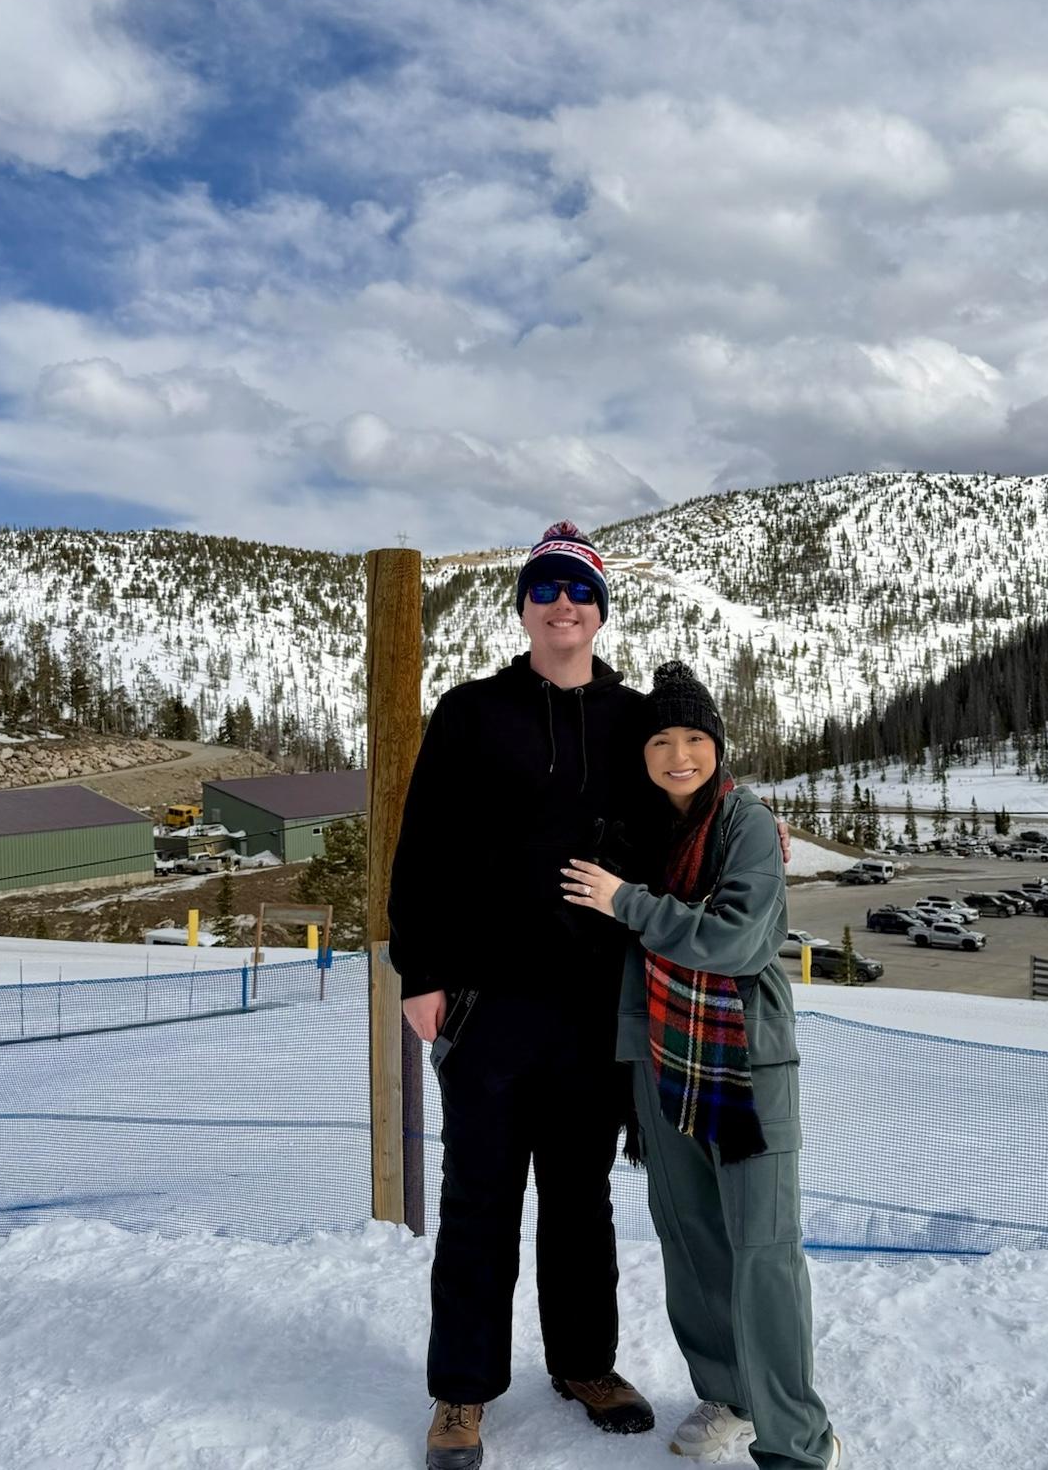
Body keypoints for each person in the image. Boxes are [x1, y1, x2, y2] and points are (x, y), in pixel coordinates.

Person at [389, 522, 657, 1470]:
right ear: (523, 609)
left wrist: (759, 828)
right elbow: (420, 847)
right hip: (488, 1000)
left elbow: (694, 796)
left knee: (581, 1201)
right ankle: (460, 1392)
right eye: (544, 591)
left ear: (599, 610)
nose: (562, 606)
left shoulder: (635, 722)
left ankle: (586, 1363)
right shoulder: (471, 712)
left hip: (596, 1002)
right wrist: (419, 974)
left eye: (578, 592)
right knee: (479, 1200)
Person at [562, 661, 842, 1470]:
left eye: (695, 738)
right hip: (659, 1058)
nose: (679, 754)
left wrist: (628, 902)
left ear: (717, 746)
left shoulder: (745, 823)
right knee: (691, 1245)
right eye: (661, 739)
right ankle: (730, 1393)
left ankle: (797, 1442)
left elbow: (736, 941)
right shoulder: (639, 831)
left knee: (761, 1251)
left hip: (743, 1062)